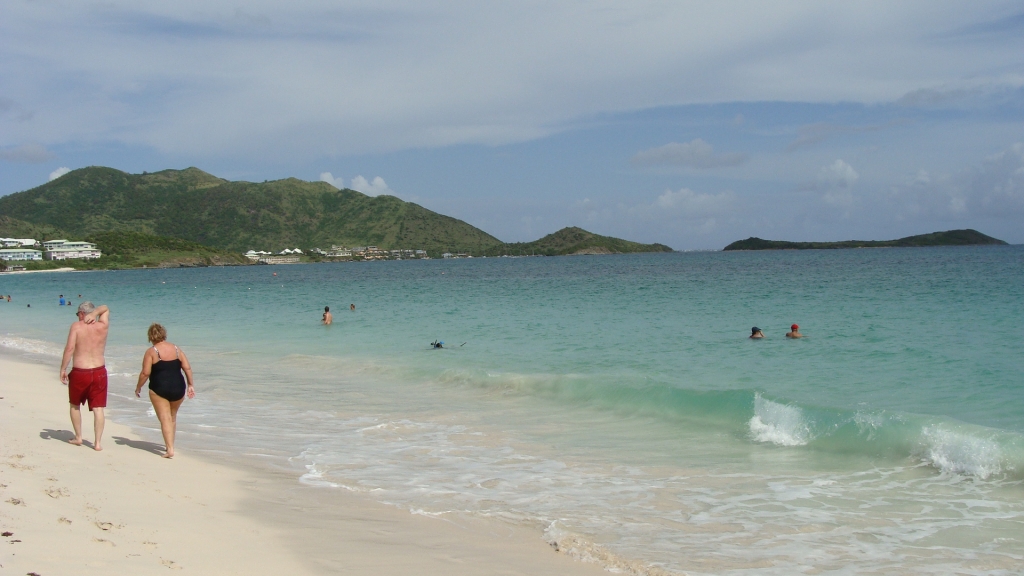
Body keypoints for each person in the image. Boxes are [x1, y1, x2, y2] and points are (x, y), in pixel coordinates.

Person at [135, 323, 195, 458]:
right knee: (172, 417)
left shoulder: (151, 352)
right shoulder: (176, 349)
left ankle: (170, 449)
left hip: (159, 388)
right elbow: (187, 368)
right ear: (164, 333)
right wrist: (191, 384)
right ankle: (170, 445)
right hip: (178, 388)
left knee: (164, 418)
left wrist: (138, 387)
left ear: (150, 336)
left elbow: (145, 373)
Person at [59, 302, 110, 451]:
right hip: (99, 371)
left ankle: (79, 437)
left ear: (82, 313)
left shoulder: (77, 326)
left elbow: (69, 349)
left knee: (75, 405)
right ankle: (98, 443)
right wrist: (95, 314)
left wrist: (63, 368)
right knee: (98, 408)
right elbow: (105, 308)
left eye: (78, 314)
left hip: (81, 371)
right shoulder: (102, 325)